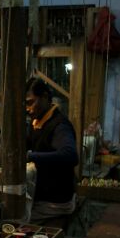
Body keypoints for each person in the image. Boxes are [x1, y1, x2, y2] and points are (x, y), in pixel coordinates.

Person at [24, 77, 79, 221]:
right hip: (44, 197)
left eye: (30, 102)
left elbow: (70, 155)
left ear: (44, 98)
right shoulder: (37, 122)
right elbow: (28, 143)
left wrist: (30, 157)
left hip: (56, 202)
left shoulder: (59, 125)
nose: (27, 109)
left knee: (13, 220)